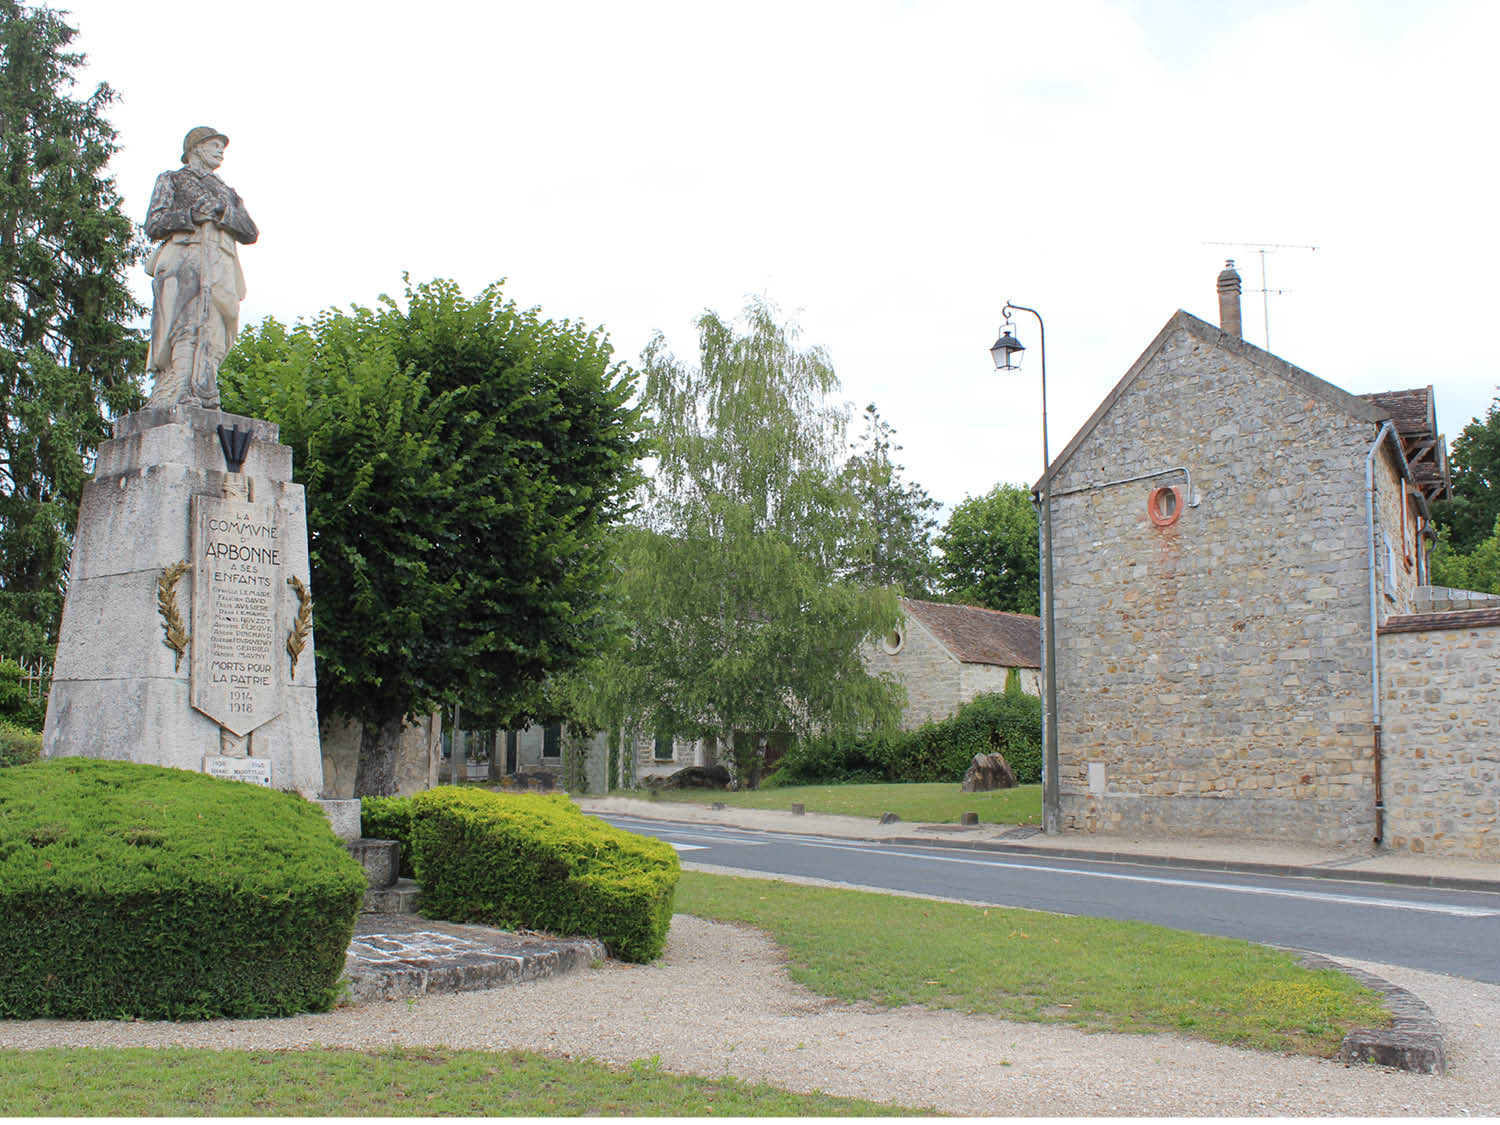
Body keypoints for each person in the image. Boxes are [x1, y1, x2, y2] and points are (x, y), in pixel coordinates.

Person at [143, 126, 258, 409]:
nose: (220, 151)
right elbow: (154, 224)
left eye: (222, 146)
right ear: (196, 148)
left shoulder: (226, 193)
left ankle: (206, 387)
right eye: (214, 145)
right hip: (185, 258)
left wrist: (222, 214)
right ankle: (178, 387)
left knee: (216, 328)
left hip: (220, 263)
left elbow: (250, 232)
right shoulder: (173, 180)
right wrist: (192, 215)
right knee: (185, 323)